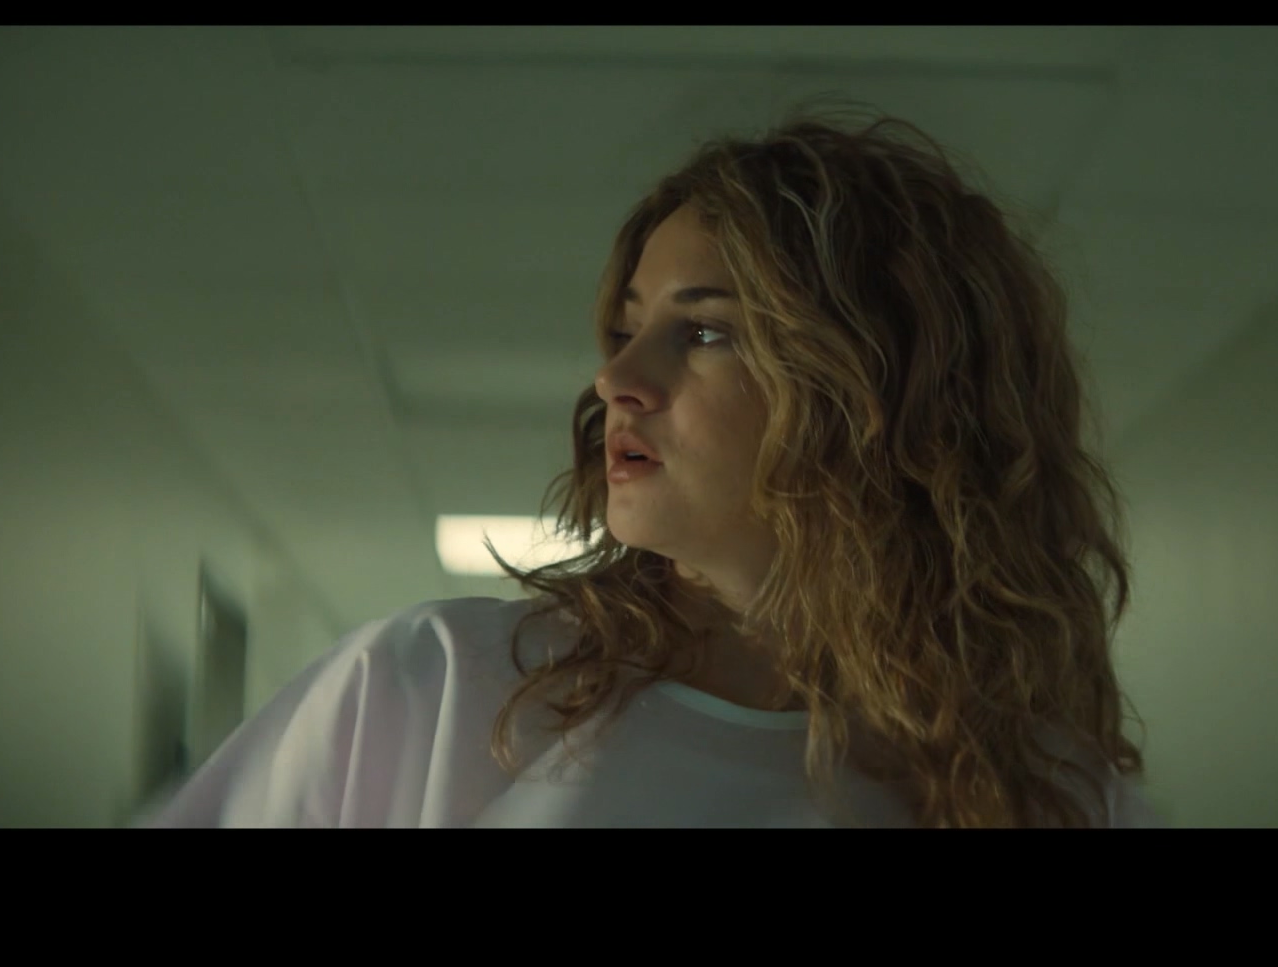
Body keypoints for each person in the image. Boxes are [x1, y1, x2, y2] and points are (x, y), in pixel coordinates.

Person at [143, 100, 1164, 828]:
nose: (616, 380)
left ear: (880, 391)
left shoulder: (1050, 792)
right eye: (629, 329)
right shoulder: (436, 688)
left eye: (704, 332)